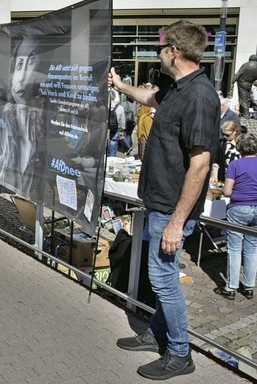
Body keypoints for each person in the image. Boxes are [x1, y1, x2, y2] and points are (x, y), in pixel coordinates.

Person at [109, 20, 220, 380]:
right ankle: (157, 333)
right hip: (159, 202)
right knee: (161, 276)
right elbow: (149, 98)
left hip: (171, 209)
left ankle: (179, 352)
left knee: (163, 279)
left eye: (160, 48)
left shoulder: (200, 97)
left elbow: (201, 166)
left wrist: (176, 222)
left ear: (173, 51)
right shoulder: (176, 88)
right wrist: (121, 85)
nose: (158, 54)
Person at [0, 37, 45, 196]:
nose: (23, 78)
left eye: (32, 61)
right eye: (20, 64)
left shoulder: (41, 116)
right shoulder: (6, 119)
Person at [214, 133, 257, 300]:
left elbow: (227, 191)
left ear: (240, 148)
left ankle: (231, 286)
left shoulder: (235, 165)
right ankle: (248, 286)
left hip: (239, 208)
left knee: (234, 249)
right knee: (252, 248)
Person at [232, 55, 257, 119]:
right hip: (249, 84)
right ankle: (242, 112)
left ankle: (246, 115)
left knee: (243, 99)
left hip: (242, 83)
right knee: (245, 98)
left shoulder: (246, 65)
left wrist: (232, 81)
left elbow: (238, 74)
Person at [107, 89, 126, 157]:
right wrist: (122, 131)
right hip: (115, 130)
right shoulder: (120, 107)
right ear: (115, 97)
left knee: (105, 149)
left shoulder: (103, 106)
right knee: (113, 148)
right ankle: (111, 164)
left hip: (105, 130)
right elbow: (123, 122)